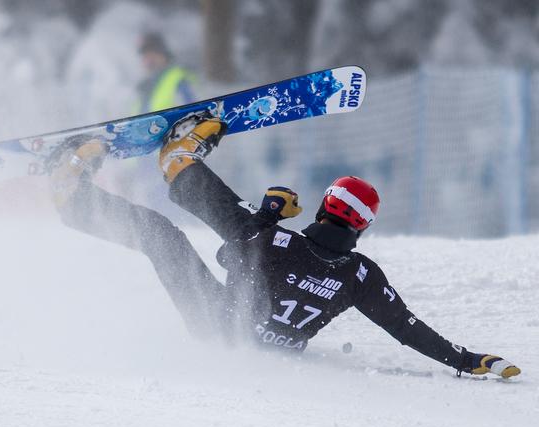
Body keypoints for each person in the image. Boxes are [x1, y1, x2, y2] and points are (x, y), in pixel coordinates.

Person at [50, 116, 521, 379]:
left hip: (217, 324)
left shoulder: (276, 239)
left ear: (326, 207)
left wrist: (272, 212)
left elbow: (237, 255)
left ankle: (103, 191)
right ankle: (176, 164)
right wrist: (467, 360)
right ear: (364, 226)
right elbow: (408, 328)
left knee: (166, 236)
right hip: (270, 345)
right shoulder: (360, 275)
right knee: (227, 230)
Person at [134, 32, 196, 114]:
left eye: (152, 53)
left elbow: (194, 113)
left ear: (163, 54)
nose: (149, 59)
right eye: (145, 55)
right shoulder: (143, 88)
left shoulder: (179, 79)